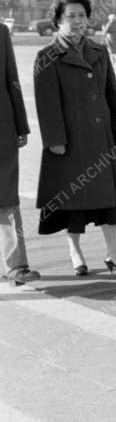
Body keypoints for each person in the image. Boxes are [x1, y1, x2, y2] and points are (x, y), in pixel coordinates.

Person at [33, 0, 116, 276]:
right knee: (73, 202)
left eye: (82, 16)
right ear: (57, 22)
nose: (77, 22)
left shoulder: (98, 50)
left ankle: (114, 254)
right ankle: (75, 253)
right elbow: (47, 105)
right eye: (70, 16)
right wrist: (55, 141)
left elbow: (111, 93)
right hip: (70, 142)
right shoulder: (47, 57)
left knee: (108, 201)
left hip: (101, 138)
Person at [1, 22, 37, 286]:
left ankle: (16, 266)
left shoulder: (1, 32)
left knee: (7, 198)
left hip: (2, 129)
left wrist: (21, 125)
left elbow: (11, 79)